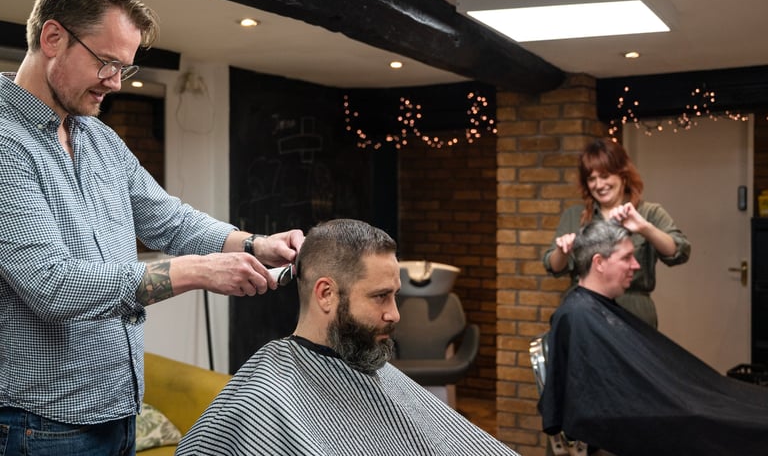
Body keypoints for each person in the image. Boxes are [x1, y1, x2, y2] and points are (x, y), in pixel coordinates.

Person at [0, 0, 304, 455]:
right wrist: (194, 272)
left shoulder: (99, 138)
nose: (116, 83)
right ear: (53, 37)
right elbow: (50, 284)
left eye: (125, 67)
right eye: (106, 63)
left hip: (119, 411)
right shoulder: (4, 143)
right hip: (40, 426)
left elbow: (170, 219)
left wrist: (255, 245)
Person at [176, 219, 520, 456]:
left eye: (395, 296)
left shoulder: (372, 370)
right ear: (325, 294)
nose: (395, 314)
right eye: (380, 296)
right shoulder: (263, 396)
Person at [538, 220, 768, 456]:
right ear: (599, 262)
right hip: (672, 413)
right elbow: (599, 399)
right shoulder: (578, 316)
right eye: (627, 257)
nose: (636, 265)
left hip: (681, 401)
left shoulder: (591, 309)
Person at [543, 137, 691, 328]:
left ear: (622, 175)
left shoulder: (649, 212)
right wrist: (562, 251)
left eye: (605, 176)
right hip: (586, 313)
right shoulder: (575, 216)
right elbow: (553, 267)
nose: (598, 184)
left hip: (634, 313)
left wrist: (644, 228)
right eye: (591, 179)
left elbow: (679, 251)